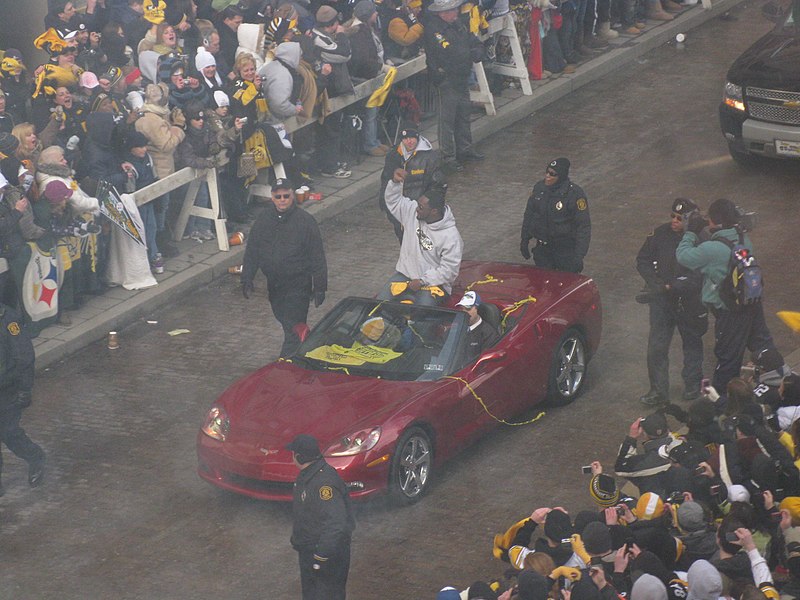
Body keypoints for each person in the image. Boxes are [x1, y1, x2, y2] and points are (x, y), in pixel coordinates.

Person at [676, 198, 775, 394]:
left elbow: (683, 256)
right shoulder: (742, 238)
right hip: (752, 302)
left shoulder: (712, 249)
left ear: (714, 220)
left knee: (727, 359)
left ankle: (721, 405)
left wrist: (690, 232)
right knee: (763, 347)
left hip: (731, 312)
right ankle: (778, 385)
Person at [240, 179, 327, 358]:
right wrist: (247, 278)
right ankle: (305, 349)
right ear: (272, 197)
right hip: (275, 285)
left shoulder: (305, 222)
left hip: (298, 284)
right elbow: (253, 250)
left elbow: (317, 256)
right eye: (278, 196)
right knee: (285, 320)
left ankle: (286, 362)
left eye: (286, 196)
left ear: (292, 196)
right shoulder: (264, 220)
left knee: (293, 328)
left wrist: (319, 287)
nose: (282, 200)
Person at [636, 198, 708, 406]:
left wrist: (672, 286)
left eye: (679, 218)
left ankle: (693, 385)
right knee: (657, 346)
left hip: (689, 302)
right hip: (662, 303)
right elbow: (643, 259)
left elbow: (699, 274)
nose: (674, 221)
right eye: (672, 216)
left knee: (692, 344)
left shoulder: (702, 240)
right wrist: (654, 282)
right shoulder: (660, 234)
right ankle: (658, 390)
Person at [378, 168, 463, 305]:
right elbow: (394, 202)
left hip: (434, 284)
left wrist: (423, 281)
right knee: (379, 304)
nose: (416, 209)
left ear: (434, 212)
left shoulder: (451, 237)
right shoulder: (413, 212)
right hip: (404, 276)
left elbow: (449, 270)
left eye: (421, 208)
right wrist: (395, 183)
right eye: (418, 205)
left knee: (422, 313)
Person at [287, 433, 355, 600]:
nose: (291, 457)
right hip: (310, 551)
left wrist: (321, 556)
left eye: (293, 454)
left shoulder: (323, 485)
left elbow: (336, 524)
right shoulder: (309, 475)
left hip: (326, 556)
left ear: (300, 457)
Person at [423, 0, 485, 173]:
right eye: (452, 10)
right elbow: (449, 51)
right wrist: (469, 52)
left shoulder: (459, 24)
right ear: (443, 13)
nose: (456, 12)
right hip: (447, 79)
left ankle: (465, 149)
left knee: (464, 115)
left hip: (461, 77)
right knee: (447, 120)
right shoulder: (434, 29)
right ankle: (447, 156)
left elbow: (474, 41)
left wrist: (477, 50)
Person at [0, 302, 45, 496]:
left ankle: (35, 457)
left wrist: (25, 388)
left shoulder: (7, 319)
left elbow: (24, 356)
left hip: (8, 388)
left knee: (8, 432)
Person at [520, 157, 590, 273]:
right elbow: (529, 215)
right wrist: (524, 240)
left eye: (552, 174)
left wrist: (578, 256)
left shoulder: (574, 194)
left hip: (564, 251)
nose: (547, 176)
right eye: (547, 172)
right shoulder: (539, 189)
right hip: (543, 250)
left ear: (561, 177)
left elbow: (583, 226)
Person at [379, 124, 441, 242]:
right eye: (405, 139)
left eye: (412, 138)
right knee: (404, 241)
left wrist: (428, 205)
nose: (409, 141)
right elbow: (385, 180)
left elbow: (437, 183)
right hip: (400, 210)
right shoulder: (393, 155)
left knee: (422, 243)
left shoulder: (429, 157)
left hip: (420, 210)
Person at [456, 291, 500, 360]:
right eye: (462, 309)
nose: (464, 312)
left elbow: (484, 364)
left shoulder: (489, 334)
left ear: (477, 309)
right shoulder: (455, 330)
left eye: (468, 309)